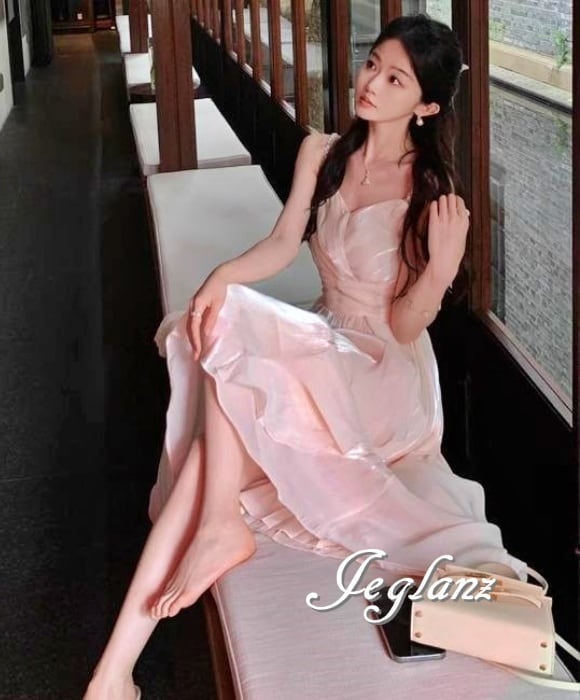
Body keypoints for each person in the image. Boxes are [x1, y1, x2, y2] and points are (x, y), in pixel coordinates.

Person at [83, 13, 528, 700]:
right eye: (373, 64)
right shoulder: (323, 152)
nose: (372, 83)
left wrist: (441, 271)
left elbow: (405, 326)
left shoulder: (430, 192)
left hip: (382, 373)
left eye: (396, 79)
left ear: (427, 106)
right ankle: (114, 673)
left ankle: (201, 553)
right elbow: (283, 241)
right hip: (325, 339)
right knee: (210, 442)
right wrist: (221, 277)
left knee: (233, 360)